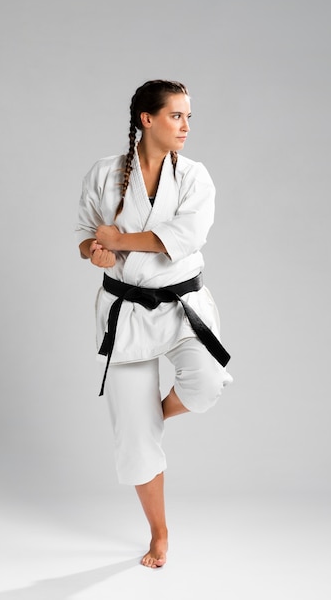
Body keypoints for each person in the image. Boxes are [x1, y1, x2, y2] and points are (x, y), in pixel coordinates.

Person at [75, 79, 232, 568]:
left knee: (207, 385)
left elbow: (177, 239)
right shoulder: (104, 173)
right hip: (125, 313)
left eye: (189, 117)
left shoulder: (195, 178)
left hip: (182, 305)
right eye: (176, 116)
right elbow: (86, 237)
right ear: (147, 119)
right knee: (138, 448)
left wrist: (118, 239)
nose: (185, 126)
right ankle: (159, 533)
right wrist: (98, 252)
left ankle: (145, 419)